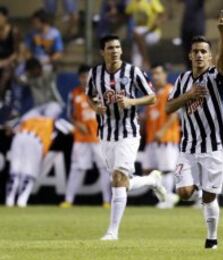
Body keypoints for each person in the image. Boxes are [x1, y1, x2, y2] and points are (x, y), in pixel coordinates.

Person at [86, 34, 167, 241]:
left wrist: (131, 102)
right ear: (102, 52)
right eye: (110, 48)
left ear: (122, 50)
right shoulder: (95, 73)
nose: (114, 51)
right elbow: (90, 96)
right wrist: (97, 107)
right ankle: (151, 180)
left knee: (118, 178)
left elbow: (152, 97)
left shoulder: (133, 72)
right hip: (106, 133)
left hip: (128, 132)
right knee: (120, 181)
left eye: (117, 47)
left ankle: (112, 232)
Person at [166, 11, 223, 249]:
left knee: (209, 197)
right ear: (190, 55)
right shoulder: (182, 80)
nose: (199, 55)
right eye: (196, 51)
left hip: (214, 146)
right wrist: (189, 95)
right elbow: (167, 108)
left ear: (210, 57)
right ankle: (194, 191)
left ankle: (212, 239)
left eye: (204, 51)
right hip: (189, 146)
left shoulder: (216, 76)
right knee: (184, 192)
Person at [59, 65, 111, 208]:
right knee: (77, 168)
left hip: (99, 137)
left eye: (88, 77)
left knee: (105, 168)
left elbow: (110, 113)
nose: (85, 80)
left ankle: (107, 201)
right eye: (82, 77)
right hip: (81, 138)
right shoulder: (74, 94)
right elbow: (69, 114)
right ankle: (68, 200)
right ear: (79, 78)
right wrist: (77, 124)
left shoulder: (102, 93)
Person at [5, 116, 72, 207]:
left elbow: (8, 130)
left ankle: (9, 201)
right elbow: (70, 129)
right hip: (35, 140)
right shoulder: (53, 120)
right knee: (28, 174)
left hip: (19, 138)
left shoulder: (28, 117)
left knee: (15, 173)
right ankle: (21, 201)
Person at [143, 64, 180, 209]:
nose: (155, 76)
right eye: (153, 74)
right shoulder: (152, 94)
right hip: (152, 138)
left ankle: (167, 198)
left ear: (165, 74)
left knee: (166, 169)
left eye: (158, 73)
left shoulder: (170, 91)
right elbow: (150, 114)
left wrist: (163, 131)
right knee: (148, 170)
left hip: (166, 138)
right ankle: (168, 195)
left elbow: (175, 114)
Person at [125, 0, 165, 69]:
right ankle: (137, 67)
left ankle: (146, 60)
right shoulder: (132, 3)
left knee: (137, 33)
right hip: (139, 33)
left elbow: (162, 14)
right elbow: (127, 14)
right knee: (136, 43)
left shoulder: (151, 1)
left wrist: (157, 22)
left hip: (152, 32)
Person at [0, 6, 20, 108]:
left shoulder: (13, 31)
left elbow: (16, 52)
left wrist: (5, 62)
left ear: (5, 17)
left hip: (11, 59)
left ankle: (2, 97)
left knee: (7, 70)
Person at [180, 0, 205, 69]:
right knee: (187, 51)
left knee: (198, 49)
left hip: (197, 27)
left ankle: (200, 70)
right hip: (186, 26)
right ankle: (190, 70)